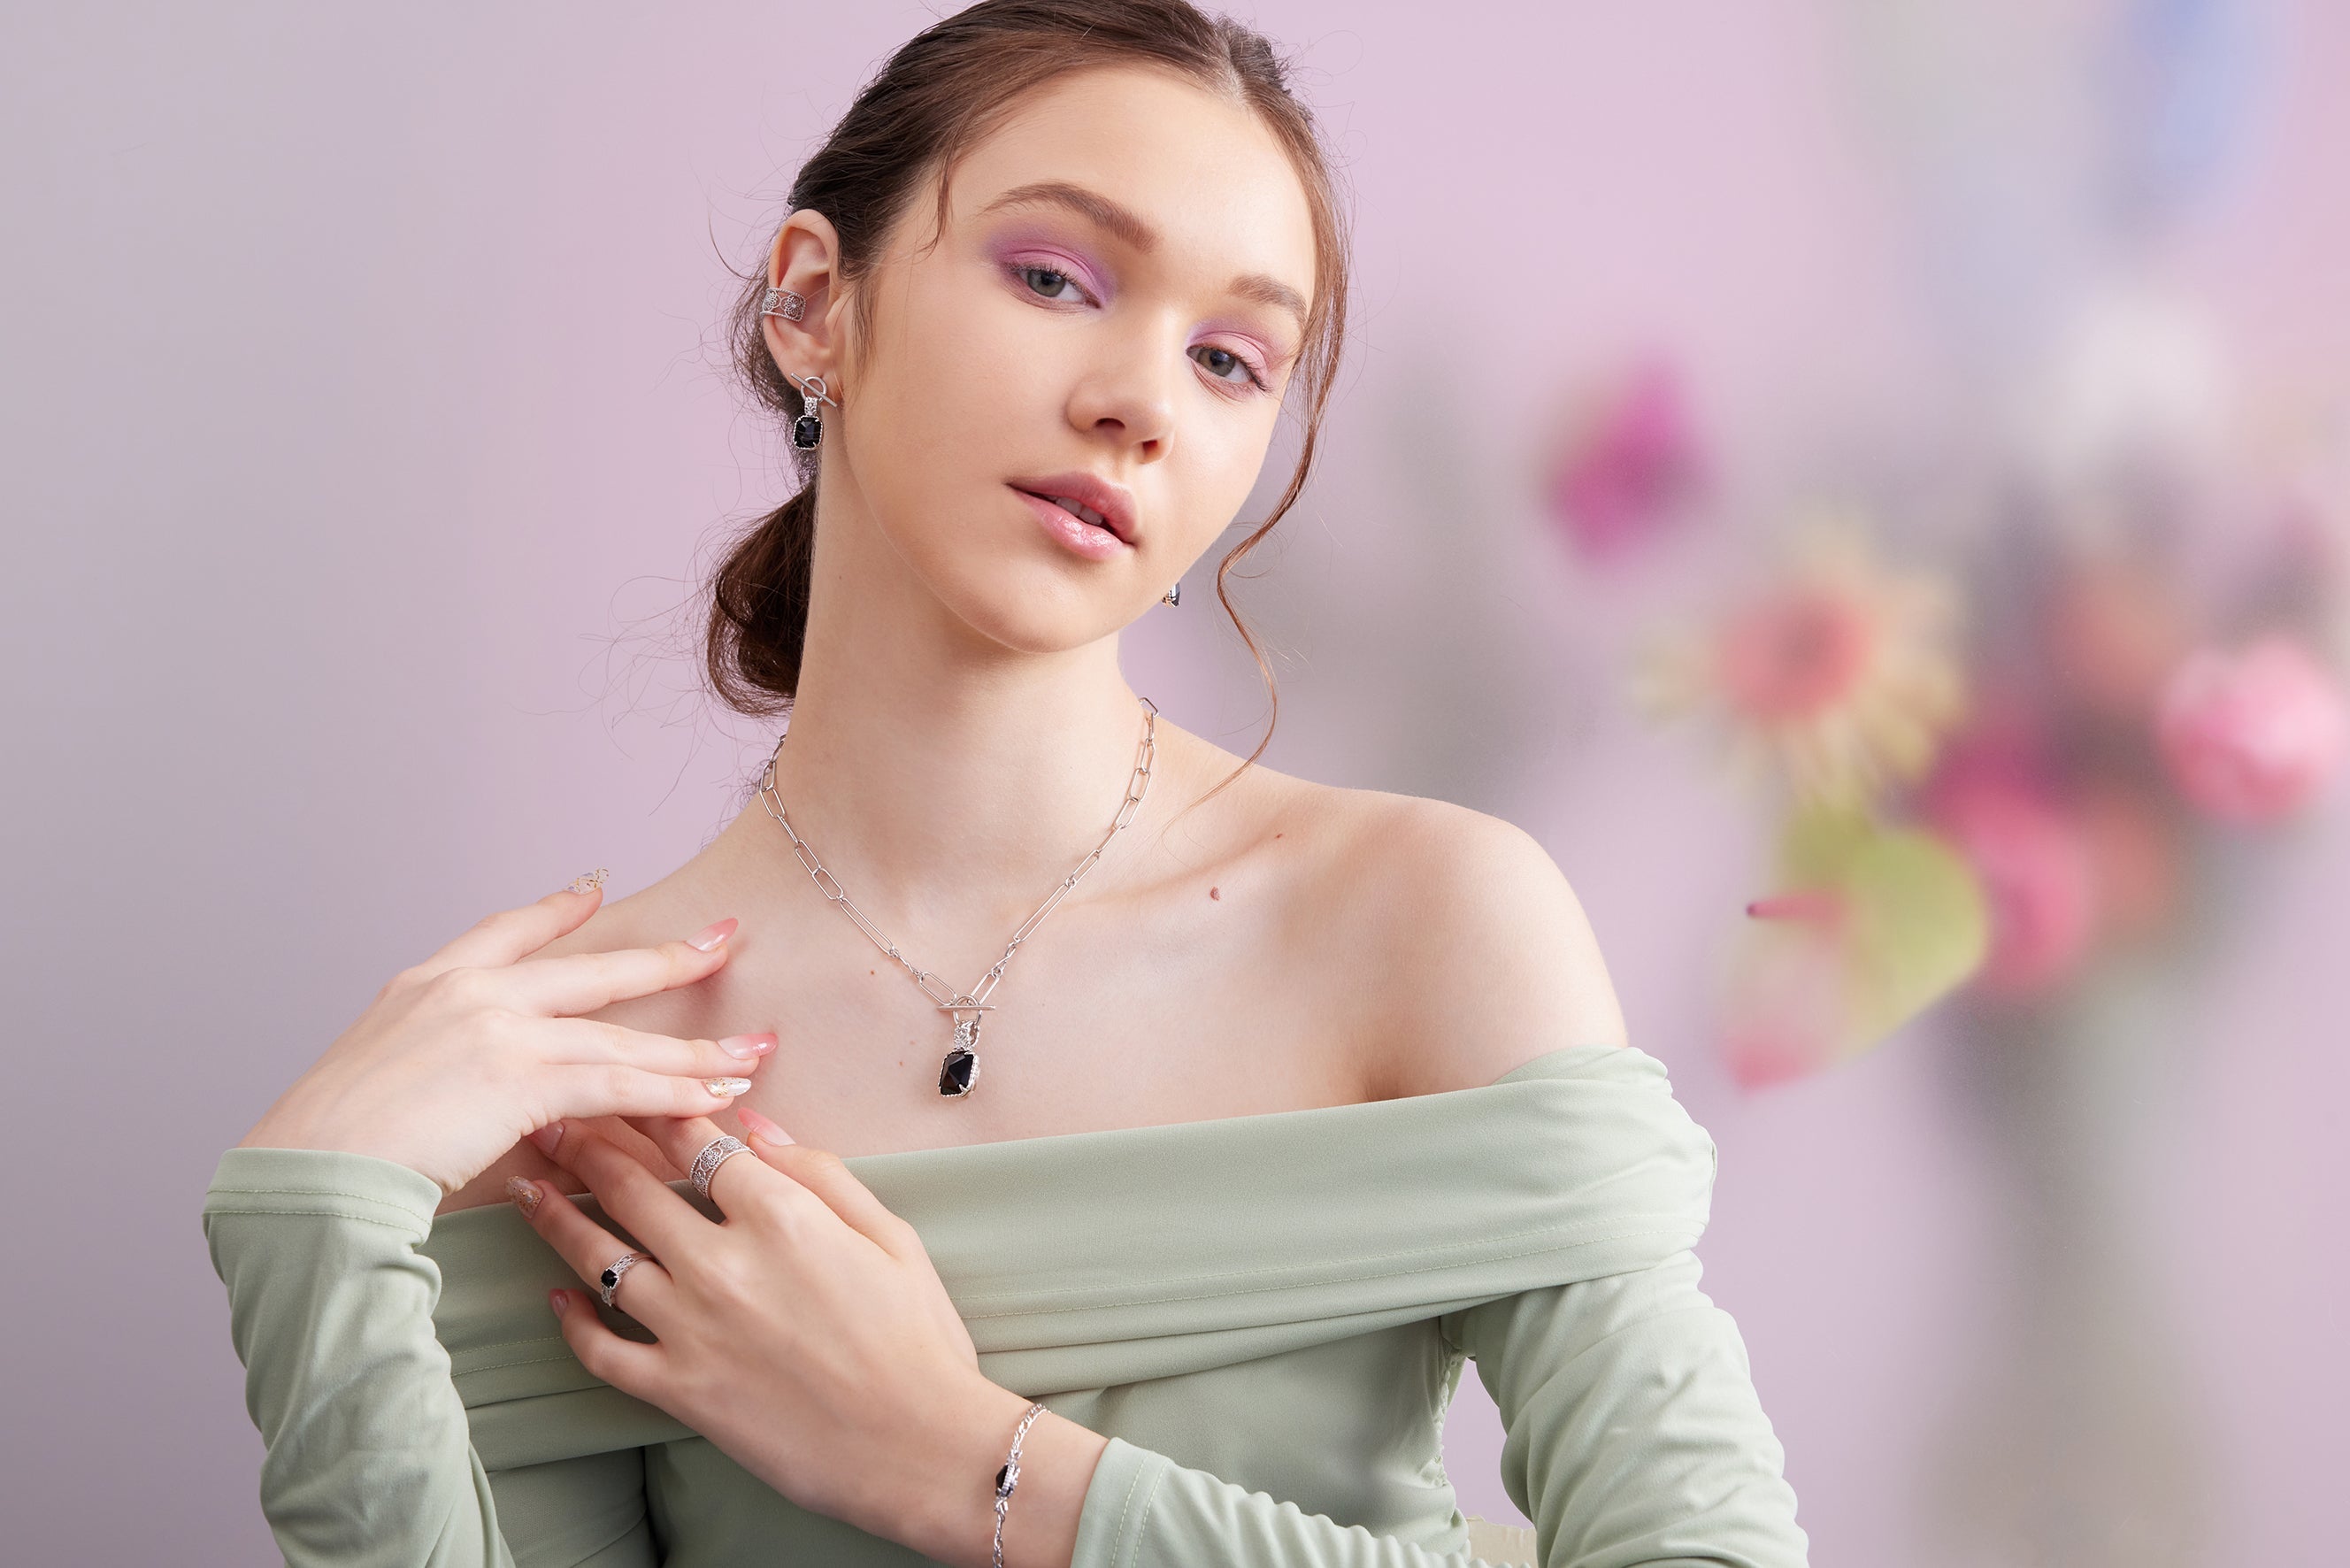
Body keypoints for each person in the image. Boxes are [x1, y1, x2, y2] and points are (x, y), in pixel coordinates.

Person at [201, 2, 1810, 1564]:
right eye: (1055, 275)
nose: (1141, 400)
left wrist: (954, 1462)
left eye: (1236, 360)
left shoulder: (1424, 921)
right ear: (813, 303)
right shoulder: (600, 1069)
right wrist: (317, 1227)